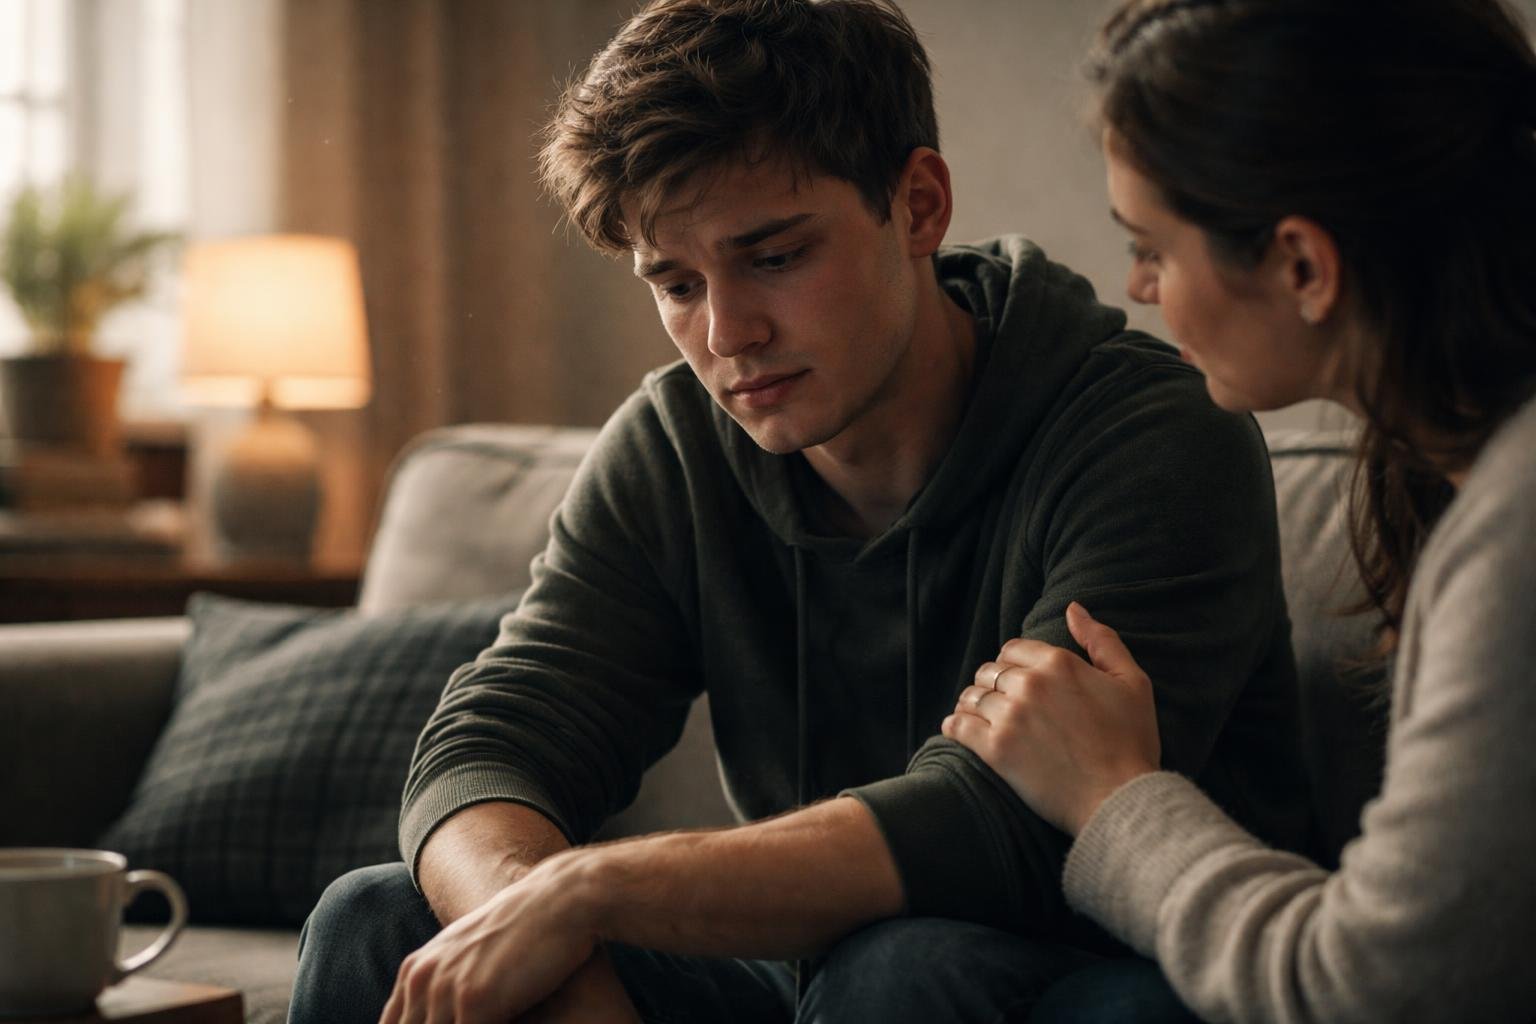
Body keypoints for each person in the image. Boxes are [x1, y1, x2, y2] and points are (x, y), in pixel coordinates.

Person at [287, 2, 1311, 1022]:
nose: (726, 333)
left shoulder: (1151, 433)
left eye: (774, 258)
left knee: (904, 966)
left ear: (918, 206)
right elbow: (490, 742)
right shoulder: (675, 447)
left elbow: (1005, 819)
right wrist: (529, 919)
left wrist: (588, 890)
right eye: (676, 283)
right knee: (379, 919)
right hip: (822, 972)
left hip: (1109, 974)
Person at [944, 0, 1536, 1021]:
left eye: (1153, 248)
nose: (1138, 287)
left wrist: (1108, 794)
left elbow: (1370, 989)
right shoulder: (1465, 480)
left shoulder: (1516, 532)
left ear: (1302, 265)